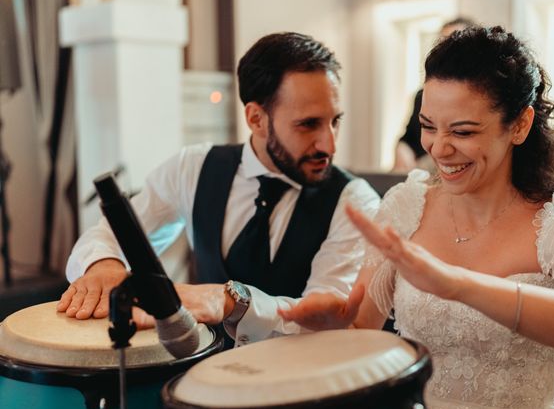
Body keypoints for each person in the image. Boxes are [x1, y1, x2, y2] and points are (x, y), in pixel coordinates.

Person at [280, 26, 554, 409]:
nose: (439, 148)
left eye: (463, 132)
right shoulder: (405, 205)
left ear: (519, 125)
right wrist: (332, 328)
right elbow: (362, 332)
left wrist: (458, 284)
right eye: (429, 126)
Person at [58, 32, 380, 347]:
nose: (329, 143)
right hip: (202, 379)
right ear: (256, 119)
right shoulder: (193, 168)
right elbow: (107, 235)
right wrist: (105, 267)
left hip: (301, 389)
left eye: (335, 120)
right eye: (309, 124)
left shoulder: (354, 201)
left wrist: (228, 301)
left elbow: (326, 323)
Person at [394, 16, 476, 173]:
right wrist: (403, 149)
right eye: (443, 42)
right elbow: (409, 137)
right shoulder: (421, 96)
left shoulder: (479, 97)